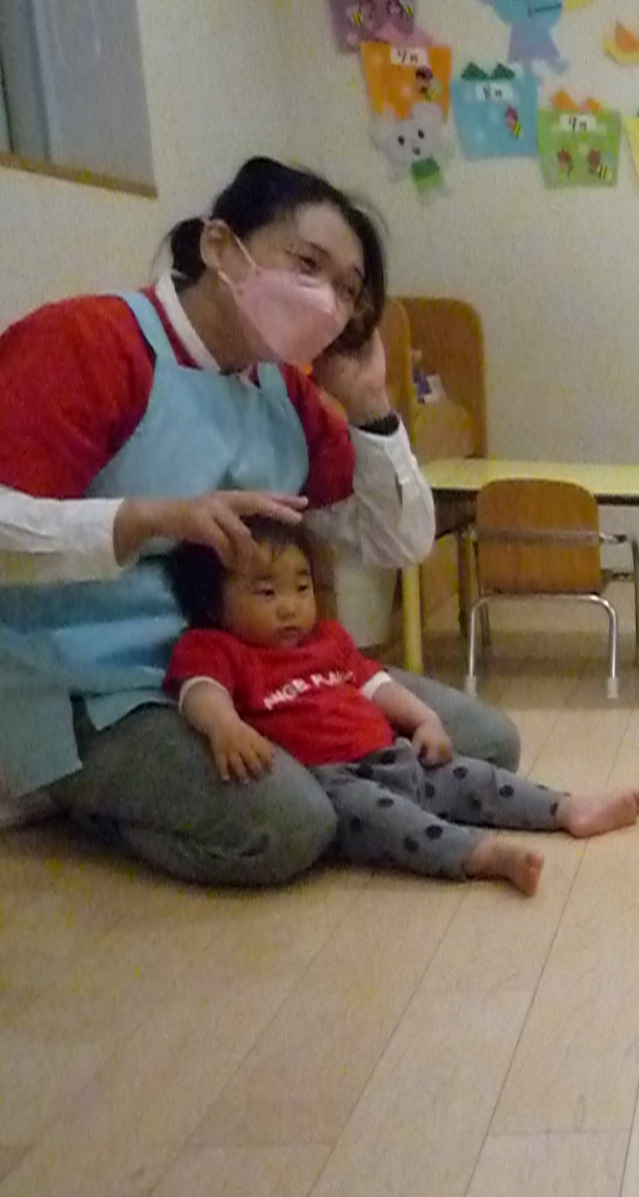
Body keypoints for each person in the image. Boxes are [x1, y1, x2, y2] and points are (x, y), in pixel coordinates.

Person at [0, 156, 518, 885]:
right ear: (220, 246)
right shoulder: (91, 341)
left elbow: (397, 541)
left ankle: (342, 797)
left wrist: (370, 405)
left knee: (486, 744)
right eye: (307, 265)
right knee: (287, 826)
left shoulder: (281, 390)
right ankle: (70, 791)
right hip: (100, 686)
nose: (326, 301)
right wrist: (149, 518)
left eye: (347, 290)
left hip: (263, 668)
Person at [163, 521, 639, 894]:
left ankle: (567, 807)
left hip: (391, 753)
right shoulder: (215, 647)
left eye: (302, 588)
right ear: (214, 606)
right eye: (266, 593)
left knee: (476, 777)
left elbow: (377, 685)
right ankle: (482, 855)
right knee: (396, 821)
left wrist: (425, 720)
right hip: (333, 782)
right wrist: (224, 725)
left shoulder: (327, 639)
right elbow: (200, 689)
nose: (289, 607)